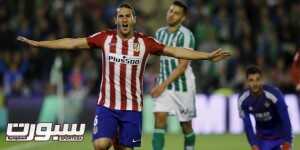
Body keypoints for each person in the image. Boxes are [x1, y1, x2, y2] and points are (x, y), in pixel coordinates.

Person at [17, 3, 230, 150]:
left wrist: (207, 56)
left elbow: (177, 51)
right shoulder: (104, 38)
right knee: (100, 144)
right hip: (107, 105)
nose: (124, 19)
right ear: (116, 19)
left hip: (132, 108)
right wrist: (39, 43)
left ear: (134, 19)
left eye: (128, 16)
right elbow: (72, 42)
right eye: (121, 16)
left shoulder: (146, 43)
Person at [150, 1, 196, 150]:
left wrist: (162, 85)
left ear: (183, 18)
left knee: (186, 126)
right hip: (164, 84)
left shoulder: (186, 36)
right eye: (170, 11)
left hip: (183, 86)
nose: (171, 14)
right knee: (159, 117)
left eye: (176, 13)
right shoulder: (159, 33)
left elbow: (183, 66)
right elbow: (160, 59)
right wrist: (158, 81)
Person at [238, 66, 292, 150]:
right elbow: (247, 125)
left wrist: (288, 141)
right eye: (251, 80)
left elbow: (285, 117)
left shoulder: (274, 94)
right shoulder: (243, 100)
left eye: (257, 79)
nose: (255, 84)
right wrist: (253, 144)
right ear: (247, 82)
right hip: (262, 140)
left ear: (262, 80)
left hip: (281, 137)